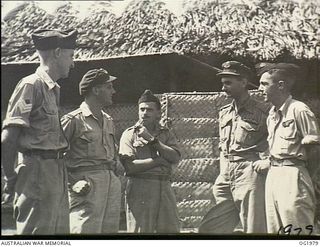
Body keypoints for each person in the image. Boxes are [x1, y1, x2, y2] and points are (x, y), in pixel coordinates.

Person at [1, 28, 77, 234]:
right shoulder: (31, 85)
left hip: (54, 171)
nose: (73, 62)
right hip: (37, 172)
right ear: (57, 52)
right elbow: (7, 139)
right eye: (71, 56)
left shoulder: (52, 89)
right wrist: (11, 178)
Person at [199, 61, 270, 234]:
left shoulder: (264, 111)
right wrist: (224, 171)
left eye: (228, 83)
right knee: (210, 228)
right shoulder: (224, 112)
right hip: (226, 173)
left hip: (250, 171)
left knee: (253, 226)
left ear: (244, 82)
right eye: (223, 83)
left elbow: (274, 141)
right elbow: (223, 146)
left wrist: (266, 161)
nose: (224, 88)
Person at [258, 63, 320, 235]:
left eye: (264, 84)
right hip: (274, 174)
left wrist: (305, 177)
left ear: (281, 85)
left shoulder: (299, 109)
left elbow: (315, 148)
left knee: (297, 230)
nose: (259, 88)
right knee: (275, 230)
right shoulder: (272, 114)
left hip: (294, 174)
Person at [60, 68, 122, 234]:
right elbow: (55, 157)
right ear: (95, 90)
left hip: (110, 183)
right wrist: (72, 183)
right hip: (86, 185)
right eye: (109, 87)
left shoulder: (108, 120)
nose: (113, 91)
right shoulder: (73, 120)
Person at [119, 89, 181, 233]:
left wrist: (152, 141)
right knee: (141, 231)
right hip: (141, 187)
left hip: (164, 186)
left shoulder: (165, 133)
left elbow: (175, 157)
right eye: (142, 109)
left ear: (159, 113)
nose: (145, 113)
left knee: (170, 231)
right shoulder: (129, 134)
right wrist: (158, 161)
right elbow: (130, 167)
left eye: (149, 110)